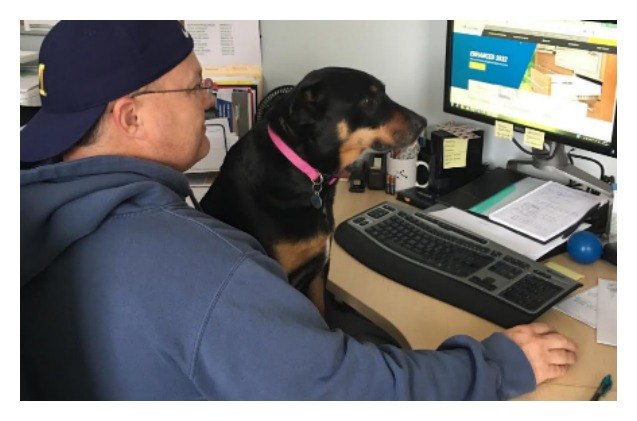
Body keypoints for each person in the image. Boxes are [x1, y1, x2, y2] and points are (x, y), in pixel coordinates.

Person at [20, 21, 578, 400]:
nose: (209, 98)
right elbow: (340, 390)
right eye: (194, 87)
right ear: (130, 116)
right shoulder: (197, 264)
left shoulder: (34, 204)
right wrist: (499, 365)